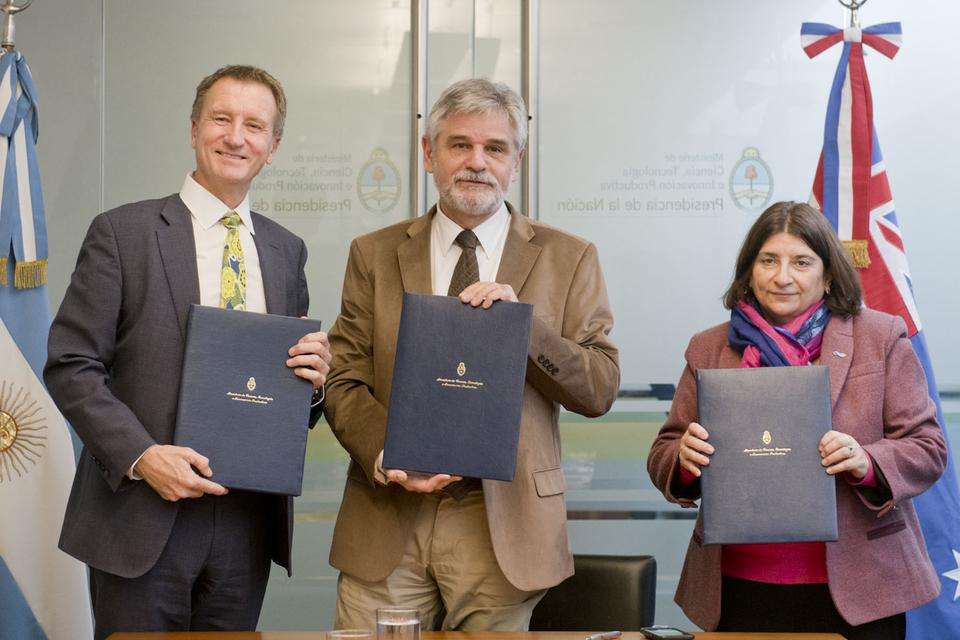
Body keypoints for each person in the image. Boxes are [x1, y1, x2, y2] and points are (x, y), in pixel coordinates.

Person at [44, 65, 331, 639]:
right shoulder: (122, 233)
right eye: (221, 118)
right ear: (195, 128)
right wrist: (142, 456)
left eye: (255, 125)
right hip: (140, 516)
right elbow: (71, 364)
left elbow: (286, 401)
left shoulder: (284, 250)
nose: (236, 137)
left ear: (273, 148)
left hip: (246, 522)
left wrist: (313, 382)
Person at [324, 78, 620, 631]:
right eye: (459, 144)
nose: (476, 162)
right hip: (390, 513)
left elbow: (599, 388)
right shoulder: (373, 253)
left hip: (505, 526)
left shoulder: (569, 257)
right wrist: (387, 454)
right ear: (428, 153)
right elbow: (343, 379)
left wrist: (523, 328)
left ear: (517, 161)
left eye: (495, 148)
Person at [647, 201, 946, 639]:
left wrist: (867, 461)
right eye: (768, 260)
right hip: (740, 588)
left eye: (801, 262)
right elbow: (664, 452)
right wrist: (685, 458)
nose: (782, 276)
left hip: (861, 590)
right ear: (750, 270)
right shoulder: (709, 347)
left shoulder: (879, 336)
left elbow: (928, 446)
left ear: (827, 275)